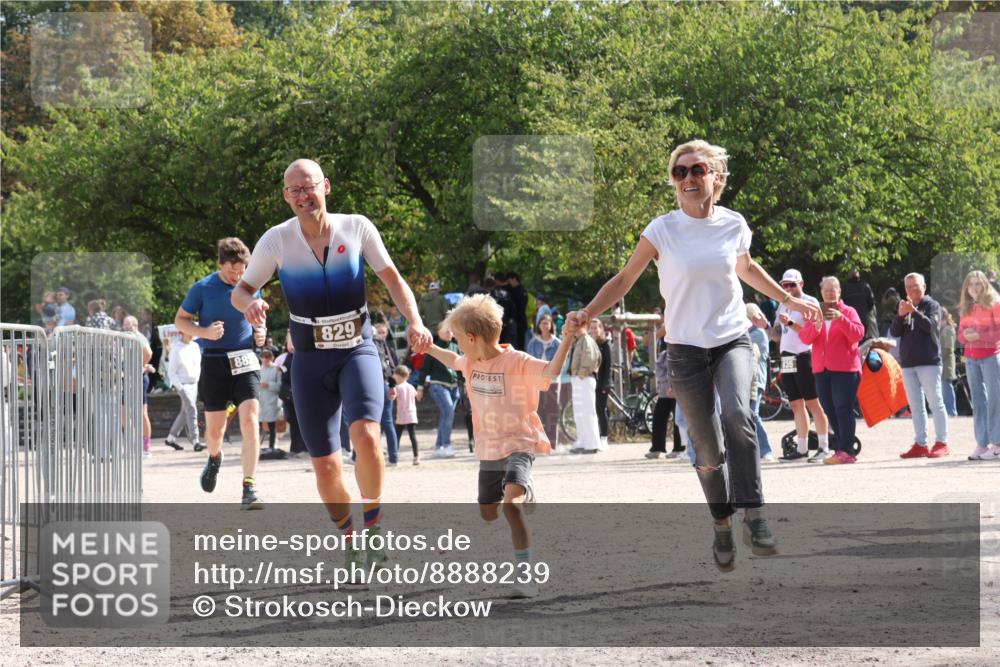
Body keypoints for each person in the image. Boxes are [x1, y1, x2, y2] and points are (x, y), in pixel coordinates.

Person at [571, 139, 822, 571]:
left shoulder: (733, 224)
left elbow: (746, 269)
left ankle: (755, 514)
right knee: (705, 447)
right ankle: (722, 523)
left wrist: (788, 300)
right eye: (680, 172)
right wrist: (588, 312)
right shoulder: (662, 230)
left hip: (731, 340)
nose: (688, 178)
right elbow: (625, 278)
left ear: (715, 178)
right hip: (685, 349)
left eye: (697, 170)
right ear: (673, 181)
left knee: (739, 416)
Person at [233, 158, 433, 568]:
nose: (304, 196)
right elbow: (242, 290)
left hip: (356, 348)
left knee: (366, 435)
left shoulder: (356, 226)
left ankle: (374, 528)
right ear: (286, 197)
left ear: (326, 186)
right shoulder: (276, 240)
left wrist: (414, 320)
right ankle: (351, 538)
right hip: (308, 357)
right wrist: (249, 305)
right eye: (295, 190)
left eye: (310, 187)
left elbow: (392, 278)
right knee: (324, 464)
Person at [423, 293, 578, 598]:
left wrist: (568, 339)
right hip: (489, 448)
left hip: (520, 442)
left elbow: (550, 372)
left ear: (472, 338)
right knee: (488, 512)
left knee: (511, 506)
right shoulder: (470, 361)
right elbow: (454, 360)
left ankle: (525, 576)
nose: (458, 346)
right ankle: (517, 489)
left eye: (459, 340)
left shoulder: (516, 361)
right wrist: (429, 348)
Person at [175, 237, 267, 508]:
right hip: (214, 361)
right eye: (232, 271)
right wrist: (204, 332)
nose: (237, 276)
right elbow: (181, 319)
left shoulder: (251, 287)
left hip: (245, 359)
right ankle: (215, 458)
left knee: (251, 418)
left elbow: (256, 323)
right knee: (215, 431)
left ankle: (249, 488)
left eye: (242, 271)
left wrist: (259, 333)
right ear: (221, 264)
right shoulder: (202, 288)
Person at [798, 276, 865, 465]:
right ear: (821, 293)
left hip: (845, 368)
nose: (830, 293)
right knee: (828, 407)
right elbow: (804, 338)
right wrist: (817, 326)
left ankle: (846, 450)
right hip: (822, 368)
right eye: (826, 290)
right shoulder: (816, 312)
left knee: (843, 408)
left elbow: (858, 335)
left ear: (839, 291)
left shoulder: (848, 311)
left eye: (833, 289)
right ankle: (841, 447)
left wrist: (841, 319)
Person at [770, 269, 832, 462]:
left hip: (804, 354)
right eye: (785, 285)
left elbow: (811, 333)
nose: (788, 288)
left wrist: (789, 323)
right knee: (796, 404)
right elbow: (778, 333)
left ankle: (824, 446)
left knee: (813, 401)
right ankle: (802, 447)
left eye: (792, 284)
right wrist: (765, 327)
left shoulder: (810, 302)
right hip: (787, 356)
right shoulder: (783, 304)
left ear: (801, 284)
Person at [892, 272, 950, 459]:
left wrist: (913, 312)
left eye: (916, 285)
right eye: (908, 286)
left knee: (935, 403)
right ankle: (920, 443)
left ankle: (942, 442)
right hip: (908, 364)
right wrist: (900, 316)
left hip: (929, 362)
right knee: (916, 406)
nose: (912, 289)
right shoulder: (904, 306)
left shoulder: (932, 305)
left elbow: (930, 326)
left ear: (924, 287)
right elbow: (894, 332)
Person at [957, 270, 1000, 460]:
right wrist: (965, 337)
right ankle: (982, 444)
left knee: (995, 400)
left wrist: (979, 336)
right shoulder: (966, 308)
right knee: (978, 402)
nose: (974, 288)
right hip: (971, 358)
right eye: (970, 284)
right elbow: (959, 334)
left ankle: (997, 444)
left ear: (984, 285)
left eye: (978, 284)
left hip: (991, 356)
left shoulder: (995, 304)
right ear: (966, 288)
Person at [418, 325, 461, 458]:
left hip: (454, 387)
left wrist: (465, 384)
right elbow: (424, 369)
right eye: (447, 330)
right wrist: (420, 388)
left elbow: (460, 368)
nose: (450, 333)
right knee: (448, 412)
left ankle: (439, 447)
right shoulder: (433, 348)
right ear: (438, 331)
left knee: (446, 415)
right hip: (438, 385)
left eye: (451, 330)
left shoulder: (456, 346)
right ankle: (446, 445)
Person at [121, 315, 155, 458]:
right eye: (125, 324)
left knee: (141, 412)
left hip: (139, 377)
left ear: (135, 325)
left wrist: (140, 365)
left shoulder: (138, 337)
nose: (127, 326)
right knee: (123, 412)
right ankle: (131, 444)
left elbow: (149, 353)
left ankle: (145, 446)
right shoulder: (124, 338)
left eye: (130, 324)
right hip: (127, 378)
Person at [526, 313, 562, 446]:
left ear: (551, 325)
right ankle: (539, 441)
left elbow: (561, 362)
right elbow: (528, 361)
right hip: (536, 382)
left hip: (552, 381)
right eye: (542, 323)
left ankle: (552, 441)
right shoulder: (533, 342)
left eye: (547, 323)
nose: (545, 326)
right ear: (538, 326)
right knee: (538, 410)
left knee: (552, 410)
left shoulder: (558, 343)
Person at [567, 321, 601, 454]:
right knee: (580, 413)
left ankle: (592, 443)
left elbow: (590, 358)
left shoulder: (586, 339)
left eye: (577, 326)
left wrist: (581, 375)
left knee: (588, 411)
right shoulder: (578, 340)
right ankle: (583, 441)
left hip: (584, 378)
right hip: (578, 378)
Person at [745, 304, 774, 462]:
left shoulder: (758, 334)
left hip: (757, 381)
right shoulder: (750, 333)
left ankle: (766, 449)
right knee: (746, 415)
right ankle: (753, 450)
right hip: (745, 380)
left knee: (753, 414)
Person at [164, 330, 202, 451]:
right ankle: (195, 441)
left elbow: (198, 364)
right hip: (183, 385)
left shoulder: (195, 346)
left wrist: (196, 379)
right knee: (191, 409)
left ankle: (170, 438)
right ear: (182, 332)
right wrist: (180, 387)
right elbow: (172, 372)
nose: (191, 334)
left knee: (185, 412)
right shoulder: (176, 349)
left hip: (193, 383)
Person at [372, 320, 401, 465]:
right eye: (379, 332)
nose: (382, 335)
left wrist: (392, 385)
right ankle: (393, 456)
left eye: (384, 332)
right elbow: (390, 367)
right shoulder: (384, 348)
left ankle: (392, 456)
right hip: (384, 384)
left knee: (376, 421)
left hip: (380, 384)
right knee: (383, 422)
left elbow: (391, 367)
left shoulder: (382, 347)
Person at [276, 337, 307, 457]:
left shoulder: (302, 356)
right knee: (293, 421)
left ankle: (303, 447)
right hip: (289, 393)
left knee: (302, 422)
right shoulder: (285, 357)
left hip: (300, 392)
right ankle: (296, 447)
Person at [591, 319, 612, 450]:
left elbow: (608, 367)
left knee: (600, 410)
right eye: (591, 328)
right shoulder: (588, 343)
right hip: (591, 383)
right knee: (593, 411)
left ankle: (604, 438)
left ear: (600, 329)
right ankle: (596, 437)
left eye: (596, 328)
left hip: (602, 383)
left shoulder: (605, 344)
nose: (593, 330)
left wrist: (605, 385)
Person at [392, 365, 420, 465]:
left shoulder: (398, 388)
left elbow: (393, 397)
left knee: (397, 436)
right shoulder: (411, 386)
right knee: (412, 436)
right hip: (412, 414)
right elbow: (417, 396)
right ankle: (416, 457)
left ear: (399, 376)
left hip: (402, 415)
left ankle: (394, 455)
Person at [258, 349, 282, 454]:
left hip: (272, 400)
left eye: (267, 361)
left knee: (272, 425)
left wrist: (268, 385)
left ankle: (272, 446)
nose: (265, 364)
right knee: (259, 425)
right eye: (263, 361)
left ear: (271, 359)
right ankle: (257, 446)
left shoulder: (276, 369)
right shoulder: (259, 370)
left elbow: (280, 386)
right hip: (261, 400)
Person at [841, 270, 878, 341]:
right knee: (862, 338)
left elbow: (842, 304)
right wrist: (866, 311)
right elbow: (871, 302)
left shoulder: (845, 288)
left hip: (849, 319)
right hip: (863, 318)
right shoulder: (865, 286)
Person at [940, 309, 959, 418]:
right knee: (944, 386)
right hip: (943, 361)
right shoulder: (943, 328)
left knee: (946, 385)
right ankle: (948, 411)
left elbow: (948, 348)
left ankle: (951, 411)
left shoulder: (947, 329)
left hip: (946, 362)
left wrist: (937, 357)